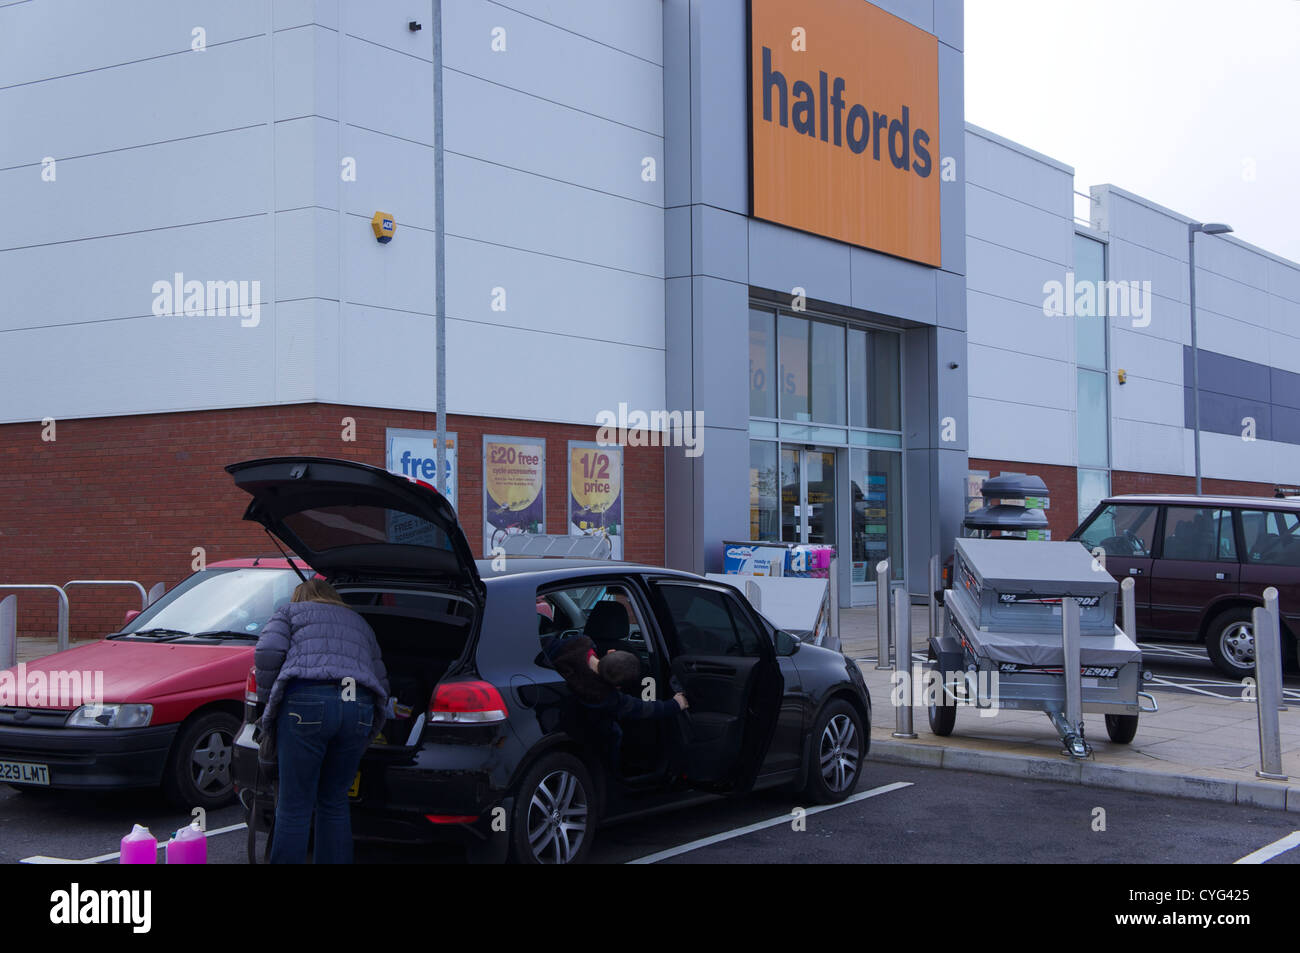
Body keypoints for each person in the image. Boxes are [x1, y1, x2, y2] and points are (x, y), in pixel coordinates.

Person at [254, 578, 389, 864]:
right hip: (358, 706)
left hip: (306, 703)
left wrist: (268, 701)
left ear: (299, 596)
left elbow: (267, 652)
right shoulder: (358, 621)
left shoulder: (289, 612)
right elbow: (381, 676)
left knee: (294, 806)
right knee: (335, 801)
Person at [545, 633, 687, 771]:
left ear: (610, 652)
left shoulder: (578, 643)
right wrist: (675, 704)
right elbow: (643, 708)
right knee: (614, 732)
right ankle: (609, 774)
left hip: (551, 707)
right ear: (618, 687)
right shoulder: (605, 697)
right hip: (577, 724)